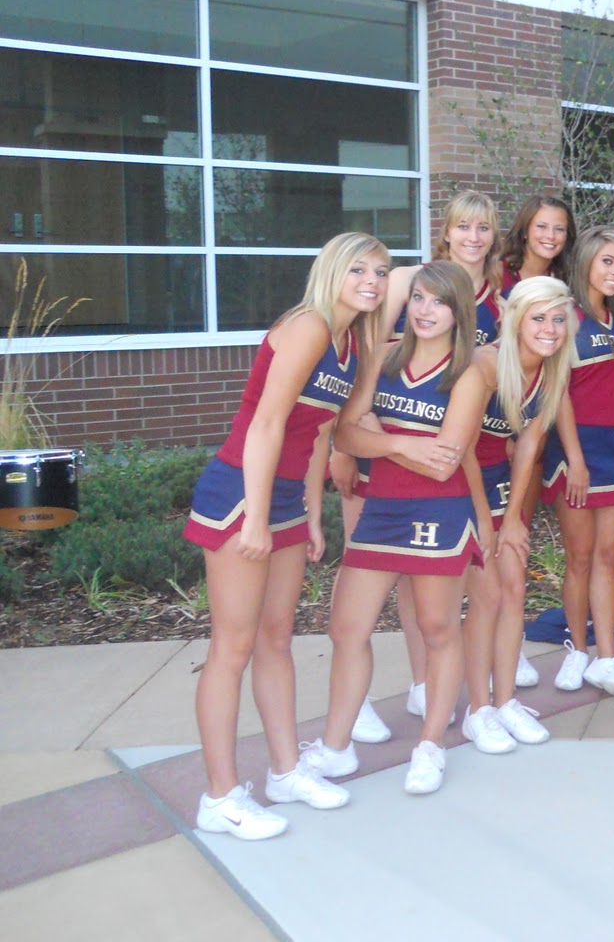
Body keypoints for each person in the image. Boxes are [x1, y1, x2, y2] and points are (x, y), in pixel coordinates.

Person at [184, 233, 389, 839]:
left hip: (283, 500)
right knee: (233, 648)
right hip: (240, 494)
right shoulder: (309, 327)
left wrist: (309, 512)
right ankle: (218, 797)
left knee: (277, 639)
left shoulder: (355, 341)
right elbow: (268, 422)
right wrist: (253, 517)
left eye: (380, 271)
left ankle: (283, 771)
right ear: (331, 270)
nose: (372, 281)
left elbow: (321, 434)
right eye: (358, 269)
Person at [317, 261, 492, 796]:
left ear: (458, 309)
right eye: (417, 298)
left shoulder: (470, 373)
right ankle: (334, 747)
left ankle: (431, 744)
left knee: (438, 628)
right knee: (347, 629)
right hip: (383, 508)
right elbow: (344, 435)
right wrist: (402, 443)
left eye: (437, 301)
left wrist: (383, 435)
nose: (424, 310)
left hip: (440, 512)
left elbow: (446, 462)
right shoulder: (383, 359)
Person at [457, 277, 573, 752]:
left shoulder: (552, 371)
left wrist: (514, 519)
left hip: (499, 484)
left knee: (514, 588)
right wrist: (486, 521)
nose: (549, 329)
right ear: (516, 318)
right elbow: (459, 447)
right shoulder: (484, 364)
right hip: (457, 482)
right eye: (538, 318)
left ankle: (505, 702)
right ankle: (477, 709)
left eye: (558, 319)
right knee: (485, 596)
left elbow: (528, 447)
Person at [541, 227, 614, 694]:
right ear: (585, 261)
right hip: (575, 453)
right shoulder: (567, 317)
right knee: (580, 558)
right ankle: (578, 649)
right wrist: (576, 460)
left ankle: (606, 658)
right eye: (607, 261)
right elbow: (558, 392)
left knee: (607, 557)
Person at [501, 194, 576, 291]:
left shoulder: (568, 281)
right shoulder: (497, 274)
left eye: (559, 229)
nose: (551, 236)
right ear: (524, 231)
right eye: (541, 226)